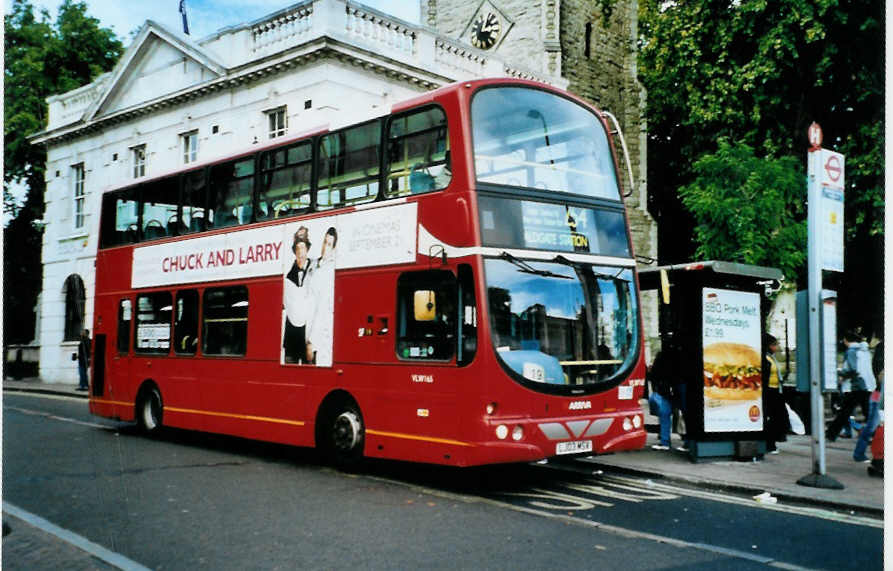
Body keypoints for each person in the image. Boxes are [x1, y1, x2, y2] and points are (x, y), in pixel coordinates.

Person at [826, 330, 877, 442]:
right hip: (868, 384)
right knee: (867, 412)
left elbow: (853, 369)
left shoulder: (851, 351)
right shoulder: (865, 351)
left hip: (855, 386)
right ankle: (875, 434)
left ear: (846, 340)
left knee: (844, 412)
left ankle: (831, 434)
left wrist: (839, 372)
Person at [283, 226, 314, 364]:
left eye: (303, 248)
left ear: (307, 250)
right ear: (294, 252)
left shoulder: (315, 270)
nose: (301, 253)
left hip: (309, 333)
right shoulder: (288, 275)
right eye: (298, 249)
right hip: (292, 336)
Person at [306, 227, 337, 367]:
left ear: (334, 248)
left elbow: (322, 307)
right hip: (305, 326)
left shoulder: (331, 271)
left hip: (318, 336)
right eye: (325, 242)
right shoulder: (313, 264)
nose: (325, 247)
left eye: (329, 244)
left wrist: (312, 341)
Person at [854, 340, 884, 463]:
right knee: (871, 426)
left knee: (872, 426)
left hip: (878, 394)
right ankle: (859, 453)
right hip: (879, 396)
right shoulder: (882, 351)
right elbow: (880, 376)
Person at [762, 335, 789, 454]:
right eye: (774, 344)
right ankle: (770, 444)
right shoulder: (765, 358)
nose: (777, 347)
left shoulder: (772, 358)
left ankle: (774, 441)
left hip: (776, 390)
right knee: (772, 419)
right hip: (769, 392)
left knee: (779, 417)